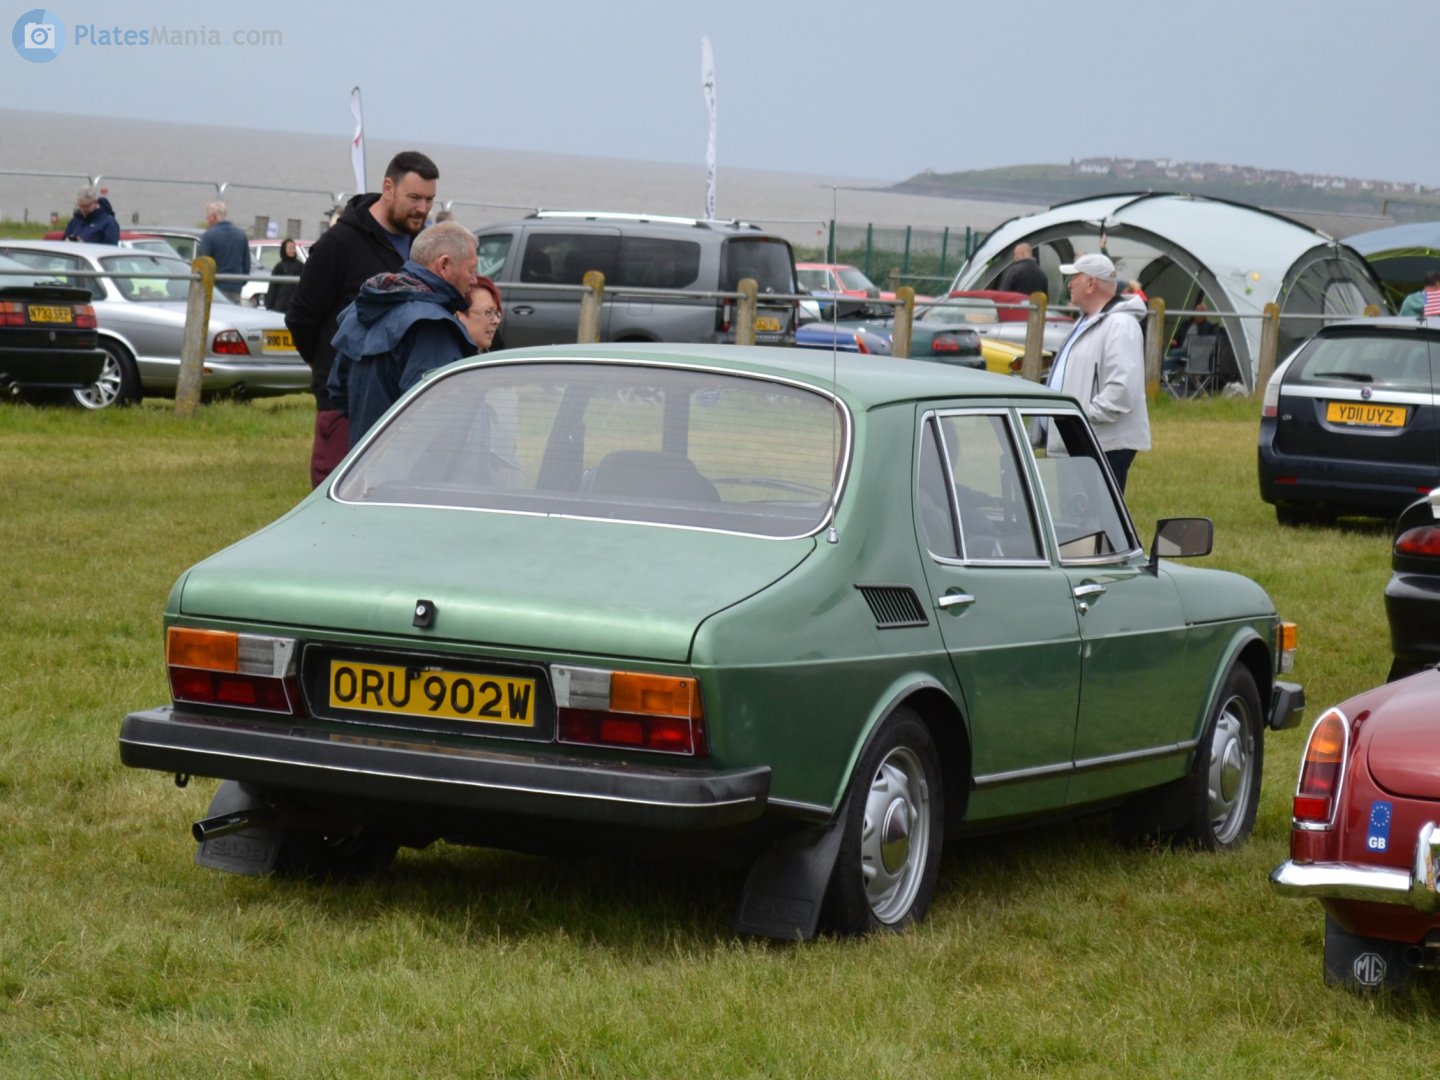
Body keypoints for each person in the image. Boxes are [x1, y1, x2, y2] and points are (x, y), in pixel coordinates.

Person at [286, 150, 440, 487]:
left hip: (404, 403)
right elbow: (301, 319)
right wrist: (332, 370)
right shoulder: (338, 244)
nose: (423, 209)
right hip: (345, 405)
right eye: (414, 197)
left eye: (429, 200)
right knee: (340, 503)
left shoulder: (423, 246)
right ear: (388, 187)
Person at [327, 220, 478, 447]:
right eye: (471, 270)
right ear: (444, 265)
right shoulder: (433, 327)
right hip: (414, 471)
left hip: (363, 464)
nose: (474, 279)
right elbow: (437, 416)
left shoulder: (363, 307)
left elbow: (338, 389)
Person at [1046, 252, 1149, 492]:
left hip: (1102, 443)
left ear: (1091, 283)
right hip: (1079, 439)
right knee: (1077, 521)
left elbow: (1121, 390)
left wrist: (1082, 418)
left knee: (1095, 521)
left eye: (1075, 277)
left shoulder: (1120, 325)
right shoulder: (1086, 321)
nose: (1070, 284)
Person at [197, 201, 251, 301]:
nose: (207, 219)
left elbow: (203, 264)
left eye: (208, 216)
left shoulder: (208, 236)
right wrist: (241, 281)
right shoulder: (241, 235)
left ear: (213, 217)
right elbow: (246, 265)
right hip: (236, 287)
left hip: (215, 288)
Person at [456, 277, 503, 352]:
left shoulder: (491, 359)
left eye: (497, 313)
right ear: (459, 316)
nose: (496, 321)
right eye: (489, 312)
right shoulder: (447, 359)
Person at [264, 238, 305, 313]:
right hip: (280, 304)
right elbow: (273, 287)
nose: (292, 250)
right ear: (284, 249)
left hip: (295, 305)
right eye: (290, 248)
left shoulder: (301, 266)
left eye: (294, 248)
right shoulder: (279, 266)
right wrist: (268, 304)